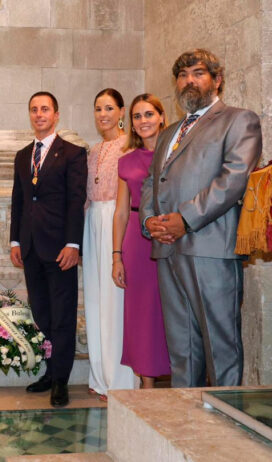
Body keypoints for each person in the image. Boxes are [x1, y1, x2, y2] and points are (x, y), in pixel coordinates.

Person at [140, 49, 262, 387]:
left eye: (198, 73)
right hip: (167, 249)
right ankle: (185, 413)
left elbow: (233, 179)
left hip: (210, 247)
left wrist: (184, 219)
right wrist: (149, 222)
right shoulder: (169, 132)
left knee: (220, 346)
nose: (189, 81)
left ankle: (226, 415)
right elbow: (152, 182)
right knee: (182, 348)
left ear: (217, 80)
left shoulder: (239, 120)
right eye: (182, 75)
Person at [10, 92, 87, 408]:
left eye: (45, 109)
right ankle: (49, 371)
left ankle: (61, 381)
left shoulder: (73, 154)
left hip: (60, 248)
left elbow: (76, 201)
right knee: (41, 313)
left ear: (56, 115)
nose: (39, 114)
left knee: (62, 315)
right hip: (30, 247)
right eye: (34, 109)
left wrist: (73, 243)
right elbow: (19, 200)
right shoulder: (22, 155)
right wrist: (15, 241)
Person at [112, 94, 171, 388]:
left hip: (172, 235)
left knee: (171, 307)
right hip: (137, 242)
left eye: (149, 114)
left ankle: (180, 376)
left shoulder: (177, 155)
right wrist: (116, 256)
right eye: (137, 116)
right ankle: (147, 385)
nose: (143, 121)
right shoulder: (126, 161)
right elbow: (121, 212)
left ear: (161, 117)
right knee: (143, 312)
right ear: (131, 123)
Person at [83, 88, 136, 401]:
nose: (103, 114)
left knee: (114, 300)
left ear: (121, 111)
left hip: (117, 222)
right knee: (95, 297)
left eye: (109, 108)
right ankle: (100, 374)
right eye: (98, 108)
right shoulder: (93, 150)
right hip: (92, 222)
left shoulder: (129, 145)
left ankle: (119, 379)